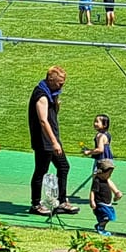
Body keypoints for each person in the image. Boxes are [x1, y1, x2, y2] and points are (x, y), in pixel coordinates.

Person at [28, 66, 77, 215]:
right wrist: (54, 142)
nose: (62, 86)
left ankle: (62, 201)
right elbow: (43, 121)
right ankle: (35, 204)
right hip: (44, 141)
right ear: (50, 80)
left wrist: (56, 104)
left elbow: (52, 114)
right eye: (60, 83)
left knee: (63, 167)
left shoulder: (52, 93)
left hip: (52, 138)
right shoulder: (41, 96)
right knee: (41, 171)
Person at [89, 160, 122, 236]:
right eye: (108, 173)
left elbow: (112, 186)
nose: (110, 175)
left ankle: (99, 226)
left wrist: (116, 192)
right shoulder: (97, 181)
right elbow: (92, 191)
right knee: (106, 217)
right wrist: (92, 201)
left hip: (107, 203)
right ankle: (100, 228)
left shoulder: (106, 179)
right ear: (101, 172)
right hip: (100, 203)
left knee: (110, 217)